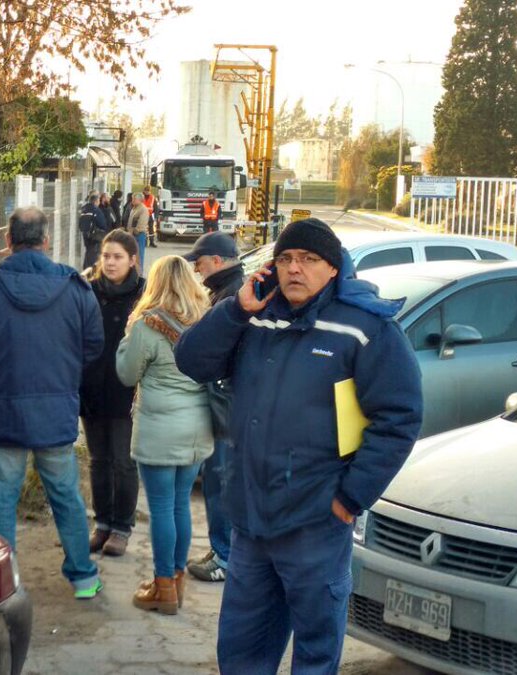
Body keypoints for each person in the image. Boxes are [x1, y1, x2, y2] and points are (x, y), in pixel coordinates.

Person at [175, 218, 423, 673]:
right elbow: (191, 361)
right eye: (286, 259)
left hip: (316, 522)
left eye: (309, 260)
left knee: (314, 653)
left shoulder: (364, 328)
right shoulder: (254, 315)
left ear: (333, 269)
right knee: (241, 649)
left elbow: (399, 418)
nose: (295, 269)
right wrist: (234, 309)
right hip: (250, 522)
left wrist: (351, 498)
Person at [0, 206, 104, 600]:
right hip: (55, 410)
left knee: (2, 499)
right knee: (66, 497)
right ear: (46, 241)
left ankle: (0, 582)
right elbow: (92, 345)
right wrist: (64, 376)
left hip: (2, 409)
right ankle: (83, 577)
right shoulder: (76, 288)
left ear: (7, 240)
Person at [116, 255, 213, 615]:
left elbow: (127, 374)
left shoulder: (147, 325)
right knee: (180, 505)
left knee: (160, 509)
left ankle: (162, 589)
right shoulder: (206, 323)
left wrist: (126, 340)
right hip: (197, 429)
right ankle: (176, 581)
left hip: (159, 430)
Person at [181, 232, 243, 582]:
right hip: (225, 406)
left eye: (200, 263)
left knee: (220, 480)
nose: (198, 270)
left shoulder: (233, 295)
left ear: (217, 261)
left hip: (226, 410)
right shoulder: (228, 289)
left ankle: (225, 556)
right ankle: (221, 547)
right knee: (218, 481)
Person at [79, 230, 144, 558]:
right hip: (92, 390)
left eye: (117, 256)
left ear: (133, 259)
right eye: (106, 256)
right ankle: (101, 523)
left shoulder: (144, 294)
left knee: (123, 462)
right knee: (98, 461)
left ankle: (121, 527)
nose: (110, 262)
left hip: (128, 394)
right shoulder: (88, 293)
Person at [78, 192, 109, 270]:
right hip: (95, 236)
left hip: (86, 235)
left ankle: (86, 269)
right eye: (98, 201)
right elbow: (102, 224)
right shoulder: (96, 210)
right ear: (95, 201)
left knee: (88, 252)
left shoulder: (84, 209)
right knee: (94, 255)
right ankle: (91, 273)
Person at [125, 192, 150, 269]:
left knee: (139, 256)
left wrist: (134, 231)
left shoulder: (143, 209)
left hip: (139, 236)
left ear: (140, 200)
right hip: (132, 235)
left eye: (134, 199)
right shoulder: (134, 208)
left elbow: (141, 224)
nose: (132, 200)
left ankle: (139, 274)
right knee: (132, 255)